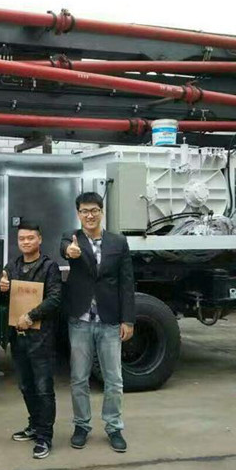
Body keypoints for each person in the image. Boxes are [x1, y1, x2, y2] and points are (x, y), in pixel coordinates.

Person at [60, 192, 135, 453]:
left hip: (110, 320)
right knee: (78, 378)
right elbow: (64, 249)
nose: (89, 215)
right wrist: (69, 251)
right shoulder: (71, 238)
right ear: (78, 214)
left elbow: (127, 283)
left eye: (94, 210)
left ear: (101, 212)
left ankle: (114, 427)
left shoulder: (118, 242)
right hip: (80, 320)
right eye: (84, 211)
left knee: (114, 379)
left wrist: (128, 319)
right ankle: (81, 425)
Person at [0, 222, 62, 460]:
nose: (25, 242)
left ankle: (45, 436)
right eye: (22, 238)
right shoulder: (12, 266)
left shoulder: (49, 267)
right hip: (18, 337)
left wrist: (31, 316)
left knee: (43, 388)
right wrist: (1, 285)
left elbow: (55, 299)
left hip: (41, 338)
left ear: (40, 239)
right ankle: (34, 425)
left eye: (30, 238)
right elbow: (0, 292)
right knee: (26, 385)